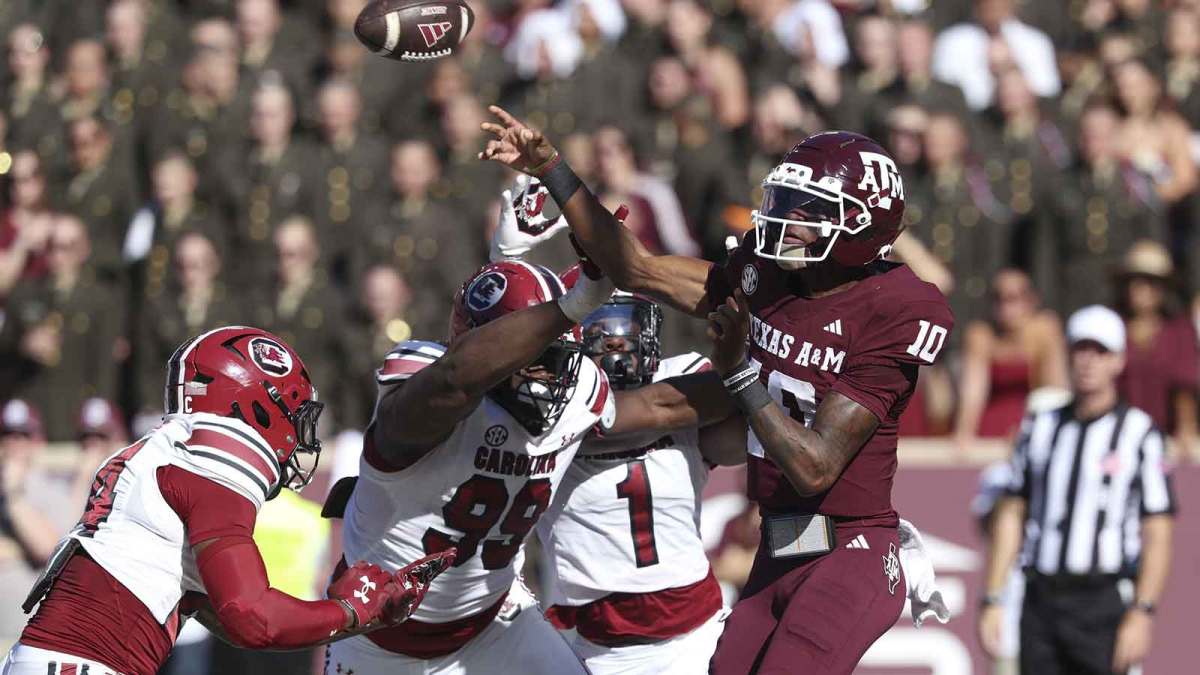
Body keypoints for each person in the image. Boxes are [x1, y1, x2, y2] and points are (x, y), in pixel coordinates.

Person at [479, 107, 954, 673]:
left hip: (854, 545)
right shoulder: (768, 276)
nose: (785, 219)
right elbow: (638, 268)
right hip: (786, 540)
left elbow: (816, 467)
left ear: (863, 227)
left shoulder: (896, 309)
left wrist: (739, 373)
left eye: (811, 211)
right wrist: (552, 169)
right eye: (786, 200)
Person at [322, 180, 733, 675]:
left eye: (559, 357)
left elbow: (665, 406)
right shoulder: (421, 394)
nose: (552, 376)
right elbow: (458, 375)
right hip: (385, 642)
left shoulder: (577, 390)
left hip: (495, 625)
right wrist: (564, 300)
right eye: (535, 358)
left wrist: (779, 354)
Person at [1, 327, 454, 675]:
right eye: (295, 416)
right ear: (257, 406)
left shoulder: (167, 453)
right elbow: (252, 618)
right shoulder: (212, 461)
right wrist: (352, 610)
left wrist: (348, 617)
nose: (298, 436)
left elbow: (224, 615)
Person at [537, 291, 746, 674]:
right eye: (599, 328)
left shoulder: (680, 376)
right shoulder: (545, 408)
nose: (616, 339)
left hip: (697, 635)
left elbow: (740, 420)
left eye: (627, 325)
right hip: (600, 647)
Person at [978, 305, 1176, 675]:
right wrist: (993, 595)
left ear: (1118, 361)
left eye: (1100, 352)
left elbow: (1158, 532)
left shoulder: (1138, 434)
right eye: (1080, 349)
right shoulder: (1040, 426)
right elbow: (1012, 513)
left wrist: (1143, 611)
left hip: (1102, 599)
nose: (1088, 361)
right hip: (1042, 598)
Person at [955, 269, 1068, 448]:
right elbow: (973, 393)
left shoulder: (1046, 330)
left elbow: (1056, 391)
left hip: (1033, 427)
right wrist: (963, 434)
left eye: (1013, 299)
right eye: (999, 299)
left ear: (1031, 301)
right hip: (990, 430)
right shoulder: (981, 335)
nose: (1005, 308)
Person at [1114, 240, 1199, 458]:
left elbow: (1184, 389)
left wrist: (1186, 434)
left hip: (1163, 438)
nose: (1141, 288)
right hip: (1117, 436)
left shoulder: (1179, 330)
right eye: (1135, 281)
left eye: (1151, 282)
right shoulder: (1114, 327)